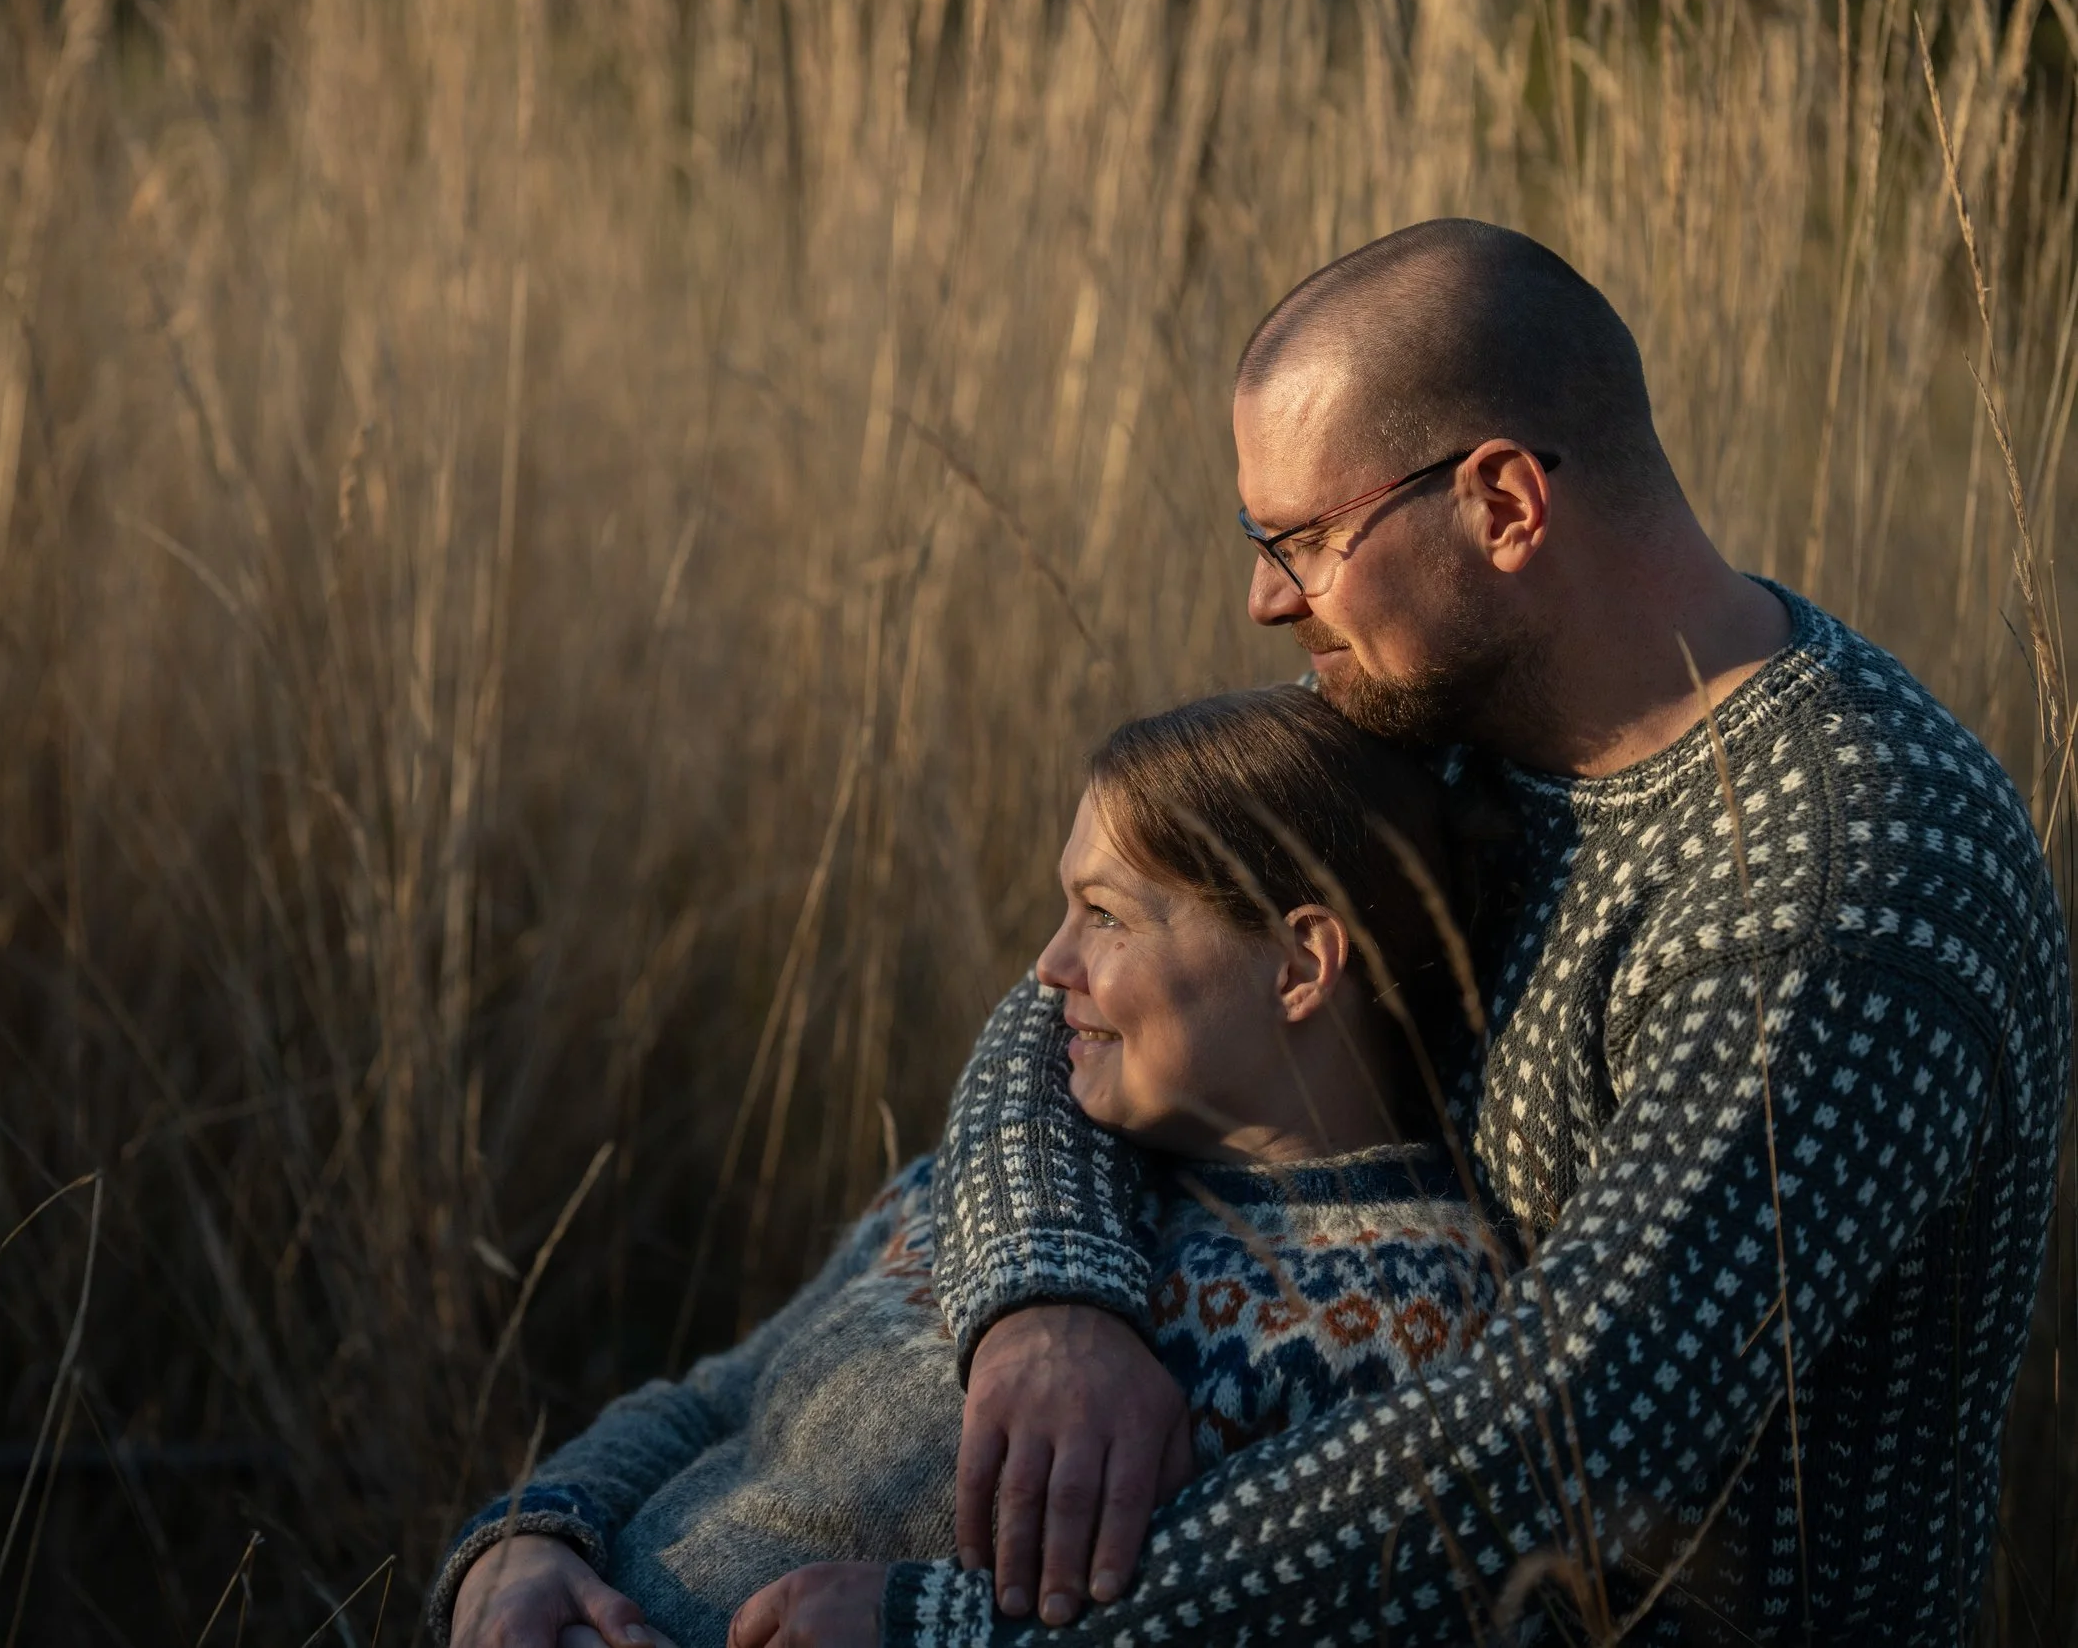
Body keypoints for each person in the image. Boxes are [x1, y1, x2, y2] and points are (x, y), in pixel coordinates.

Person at [736, 219, 2067, 1648]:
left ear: (1502, 502)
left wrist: (970, 1632)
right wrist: (1052, 1298)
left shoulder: (1847, 876)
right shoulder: (1438, 717)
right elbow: (1077, 987)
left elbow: (1574, 1439)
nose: (1262, 597)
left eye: (1301, 540)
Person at [430, 688, 1506, 1648]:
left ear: (1298, 963)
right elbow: (721, 1397)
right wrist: (527, 1542)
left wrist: (927, 1626)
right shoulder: (1028, 1172)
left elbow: (1238, 1605)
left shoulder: (1396, 1317)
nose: (1049, 965)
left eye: (1105, 914)